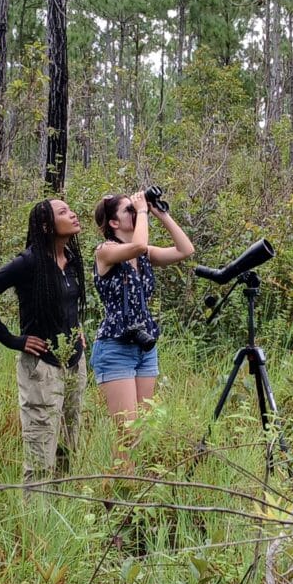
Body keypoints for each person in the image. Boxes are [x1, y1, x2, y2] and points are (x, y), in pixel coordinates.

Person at [0, 199, 87, 494]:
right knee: (39, 456)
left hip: (74, 364)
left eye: (70, 210)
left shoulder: (71, 259)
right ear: (46, 226)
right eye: (63, 212)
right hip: (42, 369)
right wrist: (13, 340)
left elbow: (69, 304)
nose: (72, 214)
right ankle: (34, 526)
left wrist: (79, 331)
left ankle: (61, 511)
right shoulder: (29, 262)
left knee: (69, 448)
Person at [90, 189, 194, 456]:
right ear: (114, 223)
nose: (136, 212)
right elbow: (135, 246)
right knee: (128, 434)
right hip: (115, 348)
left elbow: (185, 250)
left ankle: (138, 490)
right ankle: (118, 492)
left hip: (145, 347)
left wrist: (161, 213)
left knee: (145, 431)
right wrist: (144, 212)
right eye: (129, 210)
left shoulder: (145, 254)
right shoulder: (105, 251)